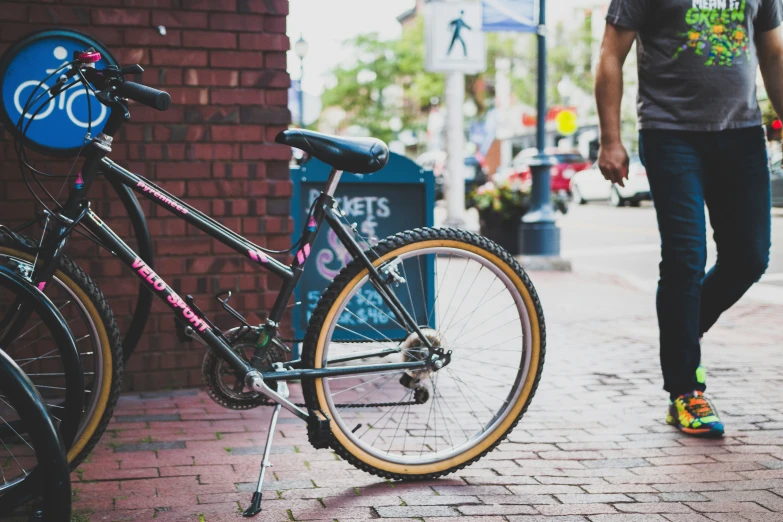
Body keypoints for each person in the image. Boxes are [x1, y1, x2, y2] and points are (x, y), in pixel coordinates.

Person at [595, 0, 782, 437]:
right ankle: (685, 390)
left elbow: (772, 53)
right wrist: (610, 139)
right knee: (685, 257)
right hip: (670, 134)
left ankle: (679, 336)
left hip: (741, 134)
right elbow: (609, 54)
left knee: (749, 258)